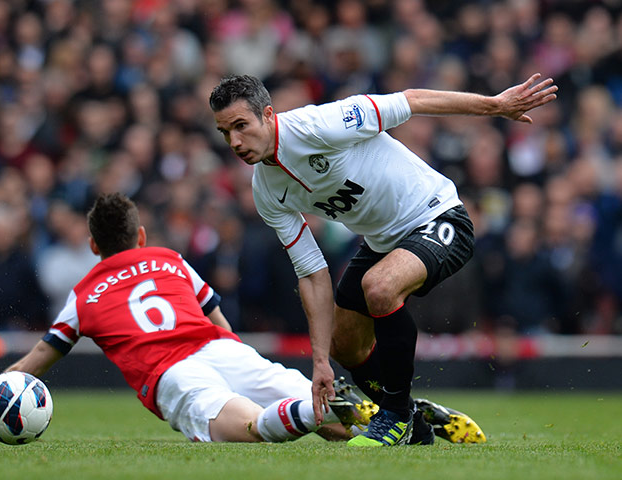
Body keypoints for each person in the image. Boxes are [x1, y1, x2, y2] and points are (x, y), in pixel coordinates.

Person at [0, 193, 484, 445]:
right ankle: (401, 413)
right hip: (219, 349)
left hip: (170, 371)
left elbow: (32, 366)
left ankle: (309, 412)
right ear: (140, 238)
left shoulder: (84, 292)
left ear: (96, 244)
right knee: (340, 426)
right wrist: (241, 361)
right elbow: (217, 316)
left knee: (247, 427)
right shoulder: (169, 259)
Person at [209, 74, 556, 446]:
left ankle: (394, 417)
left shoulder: (324, 123)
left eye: (241, 126)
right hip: (382, 243)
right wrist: (322, 360)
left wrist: (496, 105)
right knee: (344, 344)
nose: (235, 142)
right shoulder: (266, 191)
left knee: (379, 287)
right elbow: (311, 272)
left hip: (438, 217)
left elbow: (413, 99)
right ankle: (414, 420)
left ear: (268, 114)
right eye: (225, 132)